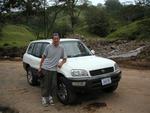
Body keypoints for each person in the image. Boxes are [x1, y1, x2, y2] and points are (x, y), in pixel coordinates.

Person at [38, 33, 67, 106]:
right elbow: (43, 57)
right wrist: (40, 66)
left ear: (59, 39)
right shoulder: (48, 47)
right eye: (54, 39)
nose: (56, 40)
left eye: (57, 39)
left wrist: (61, 63)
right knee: (46, 84)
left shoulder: (61, 48)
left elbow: (65, 59)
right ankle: (44, 98)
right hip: (46, 68)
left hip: (54, 69)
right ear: (52, 39)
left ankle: (50, 97)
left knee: (53, 85)